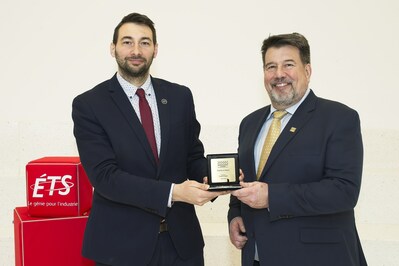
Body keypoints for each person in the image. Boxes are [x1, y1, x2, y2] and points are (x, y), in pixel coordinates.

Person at [72, 12, 226, 266]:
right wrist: (173, 192)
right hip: (121, 249)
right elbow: (105, 177)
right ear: (113, 49)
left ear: (155, 49)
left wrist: (218, 178)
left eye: (144, 42)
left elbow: (192, 157)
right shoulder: (90, 105)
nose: (136, 50)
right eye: (127, 42)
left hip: (181, 246)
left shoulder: (180, 97)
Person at [228, 33, 367, 266]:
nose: (279, 74)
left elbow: (344, 192)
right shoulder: (249, 123)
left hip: (316, 258)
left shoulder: (339, 118)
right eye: (271, 66)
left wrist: (271, 196)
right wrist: (235, 215)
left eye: (288, 65)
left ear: (308, 71)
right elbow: (246, 179)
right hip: (257, 256)